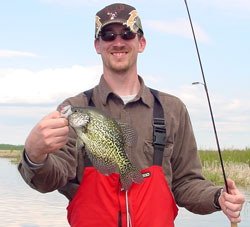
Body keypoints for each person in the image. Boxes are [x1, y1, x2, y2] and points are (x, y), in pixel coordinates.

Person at [18, 3, 245, 227]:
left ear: (141, 42)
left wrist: (218, 198)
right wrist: (35, 155)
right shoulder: (73, 107)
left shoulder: (172, 109)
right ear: (97, 45)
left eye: (127, 34)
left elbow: (186, 183)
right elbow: (50, 180)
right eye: (108, 35)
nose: (118, 42)